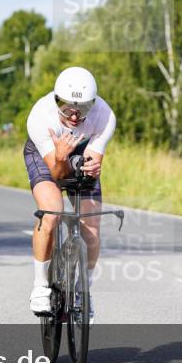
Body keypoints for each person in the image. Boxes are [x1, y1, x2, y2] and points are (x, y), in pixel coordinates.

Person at [24, 67, 115, 317]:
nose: (74, 116)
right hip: (46, 157)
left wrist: (93, 168)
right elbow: (57, 173)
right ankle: (40, 286)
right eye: (67, 108)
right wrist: (62, 157)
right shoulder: (40, 116)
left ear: (93, 105)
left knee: (92, 230)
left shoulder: (105, 116)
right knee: (52, 212)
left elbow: (92, 160)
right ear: (56, 101)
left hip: (80, 154)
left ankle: (83, 292)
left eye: (83, 109)